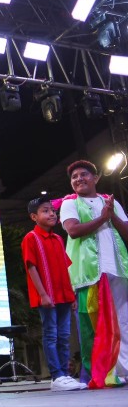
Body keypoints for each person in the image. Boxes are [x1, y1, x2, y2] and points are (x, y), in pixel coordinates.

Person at [59, 160, 128, 389]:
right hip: (89, 273)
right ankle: (98, 373)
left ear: (96, 178)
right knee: (93, 325)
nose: (79, 179)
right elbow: (73, 230)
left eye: (84, 174)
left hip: (118, 269)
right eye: (74, 177)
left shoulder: (110, 202)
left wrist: (111, 215)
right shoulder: (70, 203)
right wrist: (102, 218)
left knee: (123, 321)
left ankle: (123, 371)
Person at [22, 194, 86, 392]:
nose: (52, 214)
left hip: (64, 295)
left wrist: (71, 294)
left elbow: (65, 268)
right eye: (46, 211)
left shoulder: (58, 238)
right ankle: (56, 375)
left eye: (53, 210)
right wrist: (43, 294)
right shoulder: (31, 238)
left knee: (64, 336)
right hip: (47, 296)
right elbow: (31, 267)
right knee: (51, 335)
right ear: (34, 217)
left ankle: (65, 375)